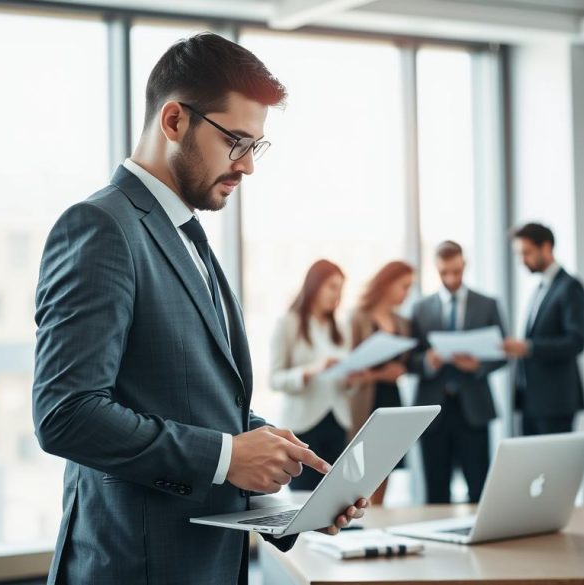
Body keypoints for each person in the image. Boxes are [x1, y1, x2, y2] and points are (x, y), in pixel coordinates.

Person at [31, 33, 367, 585]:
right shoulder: (101, 228)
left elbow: (192, 403)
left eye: (255, 146)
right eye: (236, 141)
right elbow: (66, 413)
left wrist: (276, 463)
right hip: (133, 569)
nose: (248, 166)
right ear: (174, 121)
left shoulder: (188, 234)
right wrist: (227, 456)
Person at [409, 241, 506, 504]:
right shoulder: (420, 308)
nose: (451, 278)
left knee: (479, 489)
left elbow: (502, 353)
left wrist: (478, 366)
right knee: (436, 492)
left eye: (456, 271)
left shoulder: (487, 304)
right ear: (436, 269)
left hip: (473, 409)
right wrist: (427, 361)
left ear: (465, 264)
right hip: (432, 411)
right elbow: (409, 360)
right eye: (444, 272)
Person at [269, 259, 365, 491]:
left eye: (340, 289)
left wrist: (352, 380)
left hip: (338, 422)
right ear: (315, 285)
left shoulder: (341, 328)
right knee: (304, 498)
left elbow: (345, 385)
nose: (337, 295)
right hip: (303, 426)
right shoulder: (288, 324)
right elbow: (274, 379)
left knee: (336, 495)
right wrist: (312, 371)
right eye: (332, 287)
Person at [502, 222, 584, 435]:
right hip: (530, 400)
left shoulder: (570, 287)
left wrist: (529, 347)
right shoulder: (540, 288)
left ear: (546, 247)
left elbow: (576, 341)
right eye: (519, 255)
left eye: (527, 253)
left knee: (555, 457)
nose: (522, 260)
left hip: (555, 402)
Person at [348, 260, 415, 505]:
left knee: (387, 460)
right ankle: (361, 513)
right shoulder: (358, 317)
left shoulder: (402, 322)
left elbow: (406, 363)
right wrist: (377, 375)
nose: (406, 294)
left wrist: (396, 371)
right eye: (404, 286)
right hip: (365, 399)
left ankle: (378, 510)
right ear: (387, 284)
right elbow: (349, 362)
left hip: (392, 397)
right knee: (363, 462)